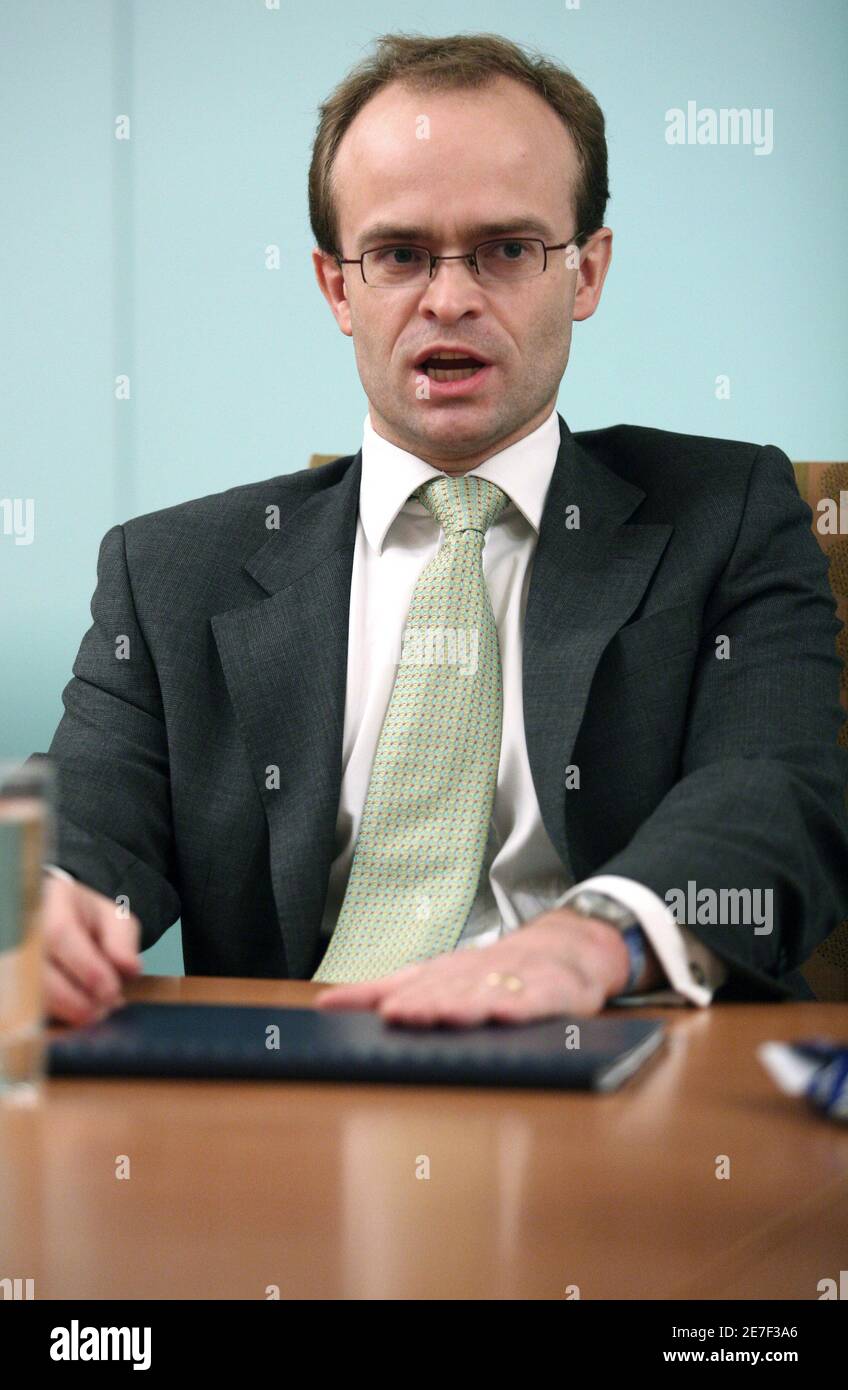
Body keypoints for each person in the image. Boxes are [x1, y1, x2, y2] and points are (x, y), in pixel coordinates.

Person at [38, 33, 848, 1029]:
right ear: (339, 286)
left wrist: (593, 936)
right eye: (399, 254)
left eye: (507, 249)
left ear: (584, 273)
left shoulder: (722, 513)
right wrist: (44, 899)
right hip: (288, 1096)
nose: (451, 297)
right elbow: (85, 821)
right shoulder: (169, 572)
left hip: (615, 1064)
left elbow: (780, 795)